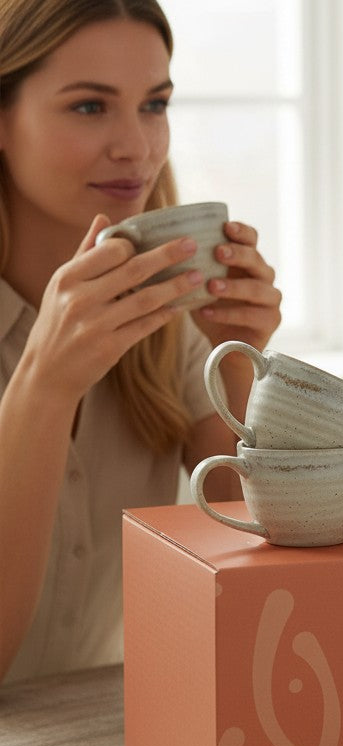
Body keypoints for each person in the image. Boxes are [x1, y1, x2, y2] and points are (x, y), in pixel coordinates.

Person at [0, 0, 283, 683]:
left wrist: (239, 362)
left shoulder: (168, 319)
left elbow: (262, 569)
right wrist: (45, 384)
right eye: (91, 107)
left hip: (110, 737)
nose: (137, 147)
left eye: (154, 105)